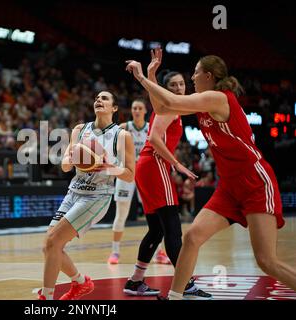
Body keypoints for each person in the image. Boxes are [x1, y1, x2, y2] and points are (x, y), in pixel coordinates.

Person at [126, 53, 296, 299]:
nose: (192, 76)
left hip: (255, 182)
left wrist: (141, 76)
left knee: (266, 261)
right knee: (193, 236)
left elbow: (171, 100)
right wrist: (151, 76)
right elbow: (164, 108)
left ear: (208, 76)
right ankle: (174, 296)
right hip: (228, 187)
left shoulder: (218, 98)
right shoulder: (201, 101)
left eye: (196, 72)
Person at [123, 49, 211, 299]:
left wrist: (150, 72)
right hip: (155, 164)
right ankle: (187, 284)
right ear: (167, 89)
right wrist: (177, 164)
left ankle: (135, 281)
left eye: (182, 83)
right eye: (173, 85)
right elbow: (153, 137)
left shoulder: (166, 105)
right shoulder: (171, 108)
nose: (180, 88)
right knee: (173, 227)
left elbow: (154, 96)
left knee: (157, 230)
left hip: (148, 166)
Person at [39, 91, 135, 300]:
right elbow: (65, 166)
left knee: (54, 242)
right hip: (74, 192)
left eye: (105, 98)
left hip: (97, 196)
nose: (99, 100)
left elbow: (129, 175)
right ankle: (81, 283)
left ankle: (46, 298)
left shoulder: (122, 135)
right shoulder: (80, 130)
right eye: (97, 98)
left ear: (115, 108)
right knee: (48, 245)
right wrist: (73, 158)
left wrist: (107, 166)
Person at [108, 99, 152, 264]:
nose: (137, 111)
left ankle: (159, 252)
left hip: (145, 174)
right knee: (121, 215)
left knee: (154, 216)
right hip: (126, 173)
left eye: (140, 108)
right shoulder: (124, 128)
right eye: (134, 108)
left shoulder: (150, 128)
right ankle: (115, 252)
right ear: (131, 111)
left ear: (145, 111)